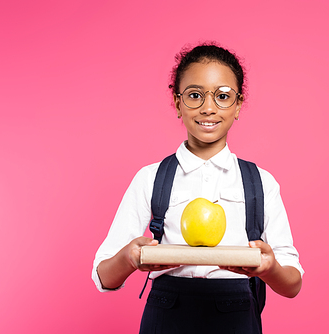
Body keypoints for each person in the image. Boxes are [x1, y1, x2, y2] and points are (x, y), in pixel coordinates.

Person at [92, 42, 304, 334]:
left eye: (222, 96)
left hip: (237, 315)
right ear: (178, 103)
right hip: (166, 313)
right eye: (194, 95)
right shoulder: (150, 178)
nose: (208, 107)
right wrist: (130, 257)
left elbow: (293, 284)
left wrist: (269, 269)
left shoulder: (261, 183)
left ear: (238, 105)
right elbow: (104, 276)